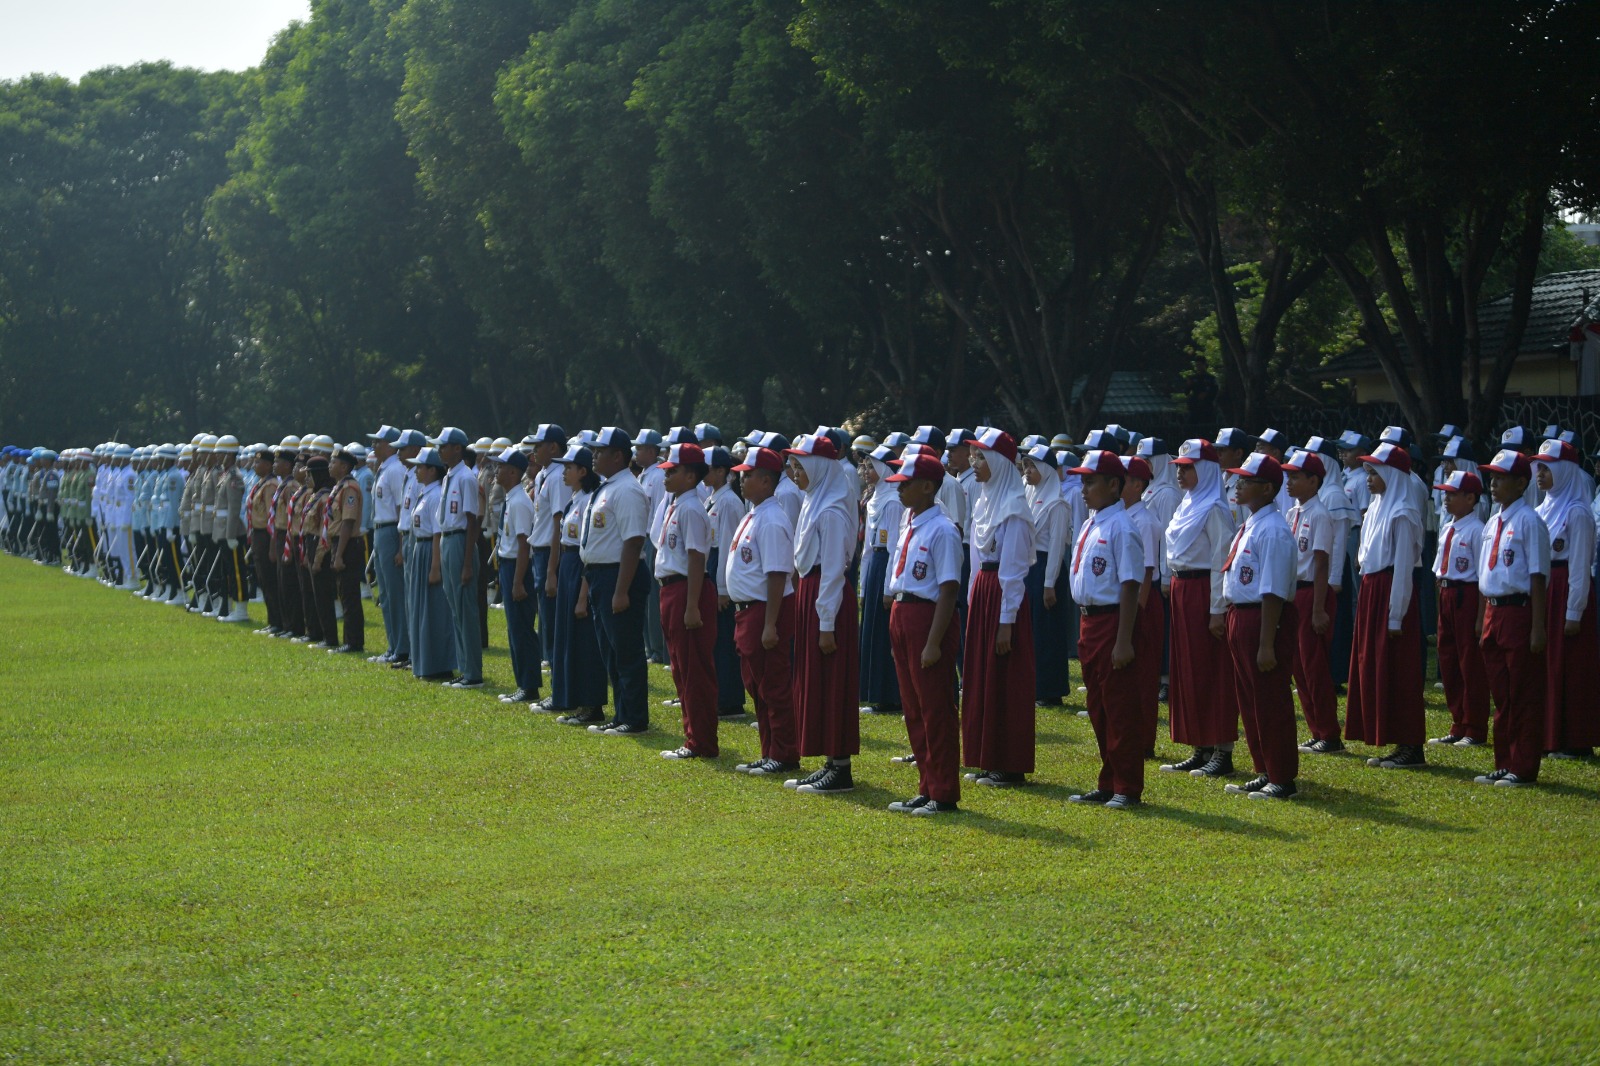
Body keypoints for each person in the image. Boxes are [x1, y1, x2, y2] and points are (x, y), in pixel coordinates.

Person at [883, 452, 965, 816]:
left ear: (928, 487)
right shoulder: (911, 523)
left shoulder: (943, 529)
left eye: (907, 484)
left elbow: (948, 590)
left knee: (935, 708)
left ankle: (944, 791)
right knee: (913, 708)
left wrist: (933, 642)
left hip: (928, 617)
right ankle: (926, 785)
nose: (900, 490)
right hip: (905, 613)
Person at [782, 432, 861, 794]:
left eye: (800, 466)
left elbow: (831, 569)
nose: (794, 473)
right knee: (815, 678)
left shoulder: (831, 511)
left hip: (825, 596)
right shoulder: (815, 500)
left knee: (832, 679)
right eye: (793, 466)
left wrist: (825, 623)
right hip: (811, 592)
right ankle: (829, 759)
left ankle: (840, 766)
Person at [1065, 449, 1145, 809]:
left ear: (1114, 484)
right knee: (1098, 706)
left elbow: (1130, 584)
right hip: (1089, 620)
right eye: (1082, 482)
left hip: (1113, 621)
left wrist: (1124, 639)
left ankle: (1127, 786)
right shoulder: (1091, 522)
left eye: (1091, 481)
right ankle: (1109, 779)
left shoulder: (1123, 527)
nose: (1084, 489)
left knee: (1119, 707)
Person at [1218, 452, 1300, 799]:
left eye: (1246, 480)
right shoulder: (1251, 524)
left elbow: (1273, 590)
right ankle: (1264, 767)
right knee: (1249, 698)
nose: (1238, 484)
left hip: (1263, 619)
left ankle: (1282, 776)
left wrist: (1267, 642)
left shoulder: (1274, 530)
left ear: (1267, 489)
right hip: (1242, 614)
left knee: (1270, 698)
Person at [960, 428, 1037, 788]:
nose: (974, 464)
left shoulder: (1014, 509)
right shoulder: (985, 501)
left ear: (1000, 464)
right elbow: (978, 560)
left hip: (1004, 596)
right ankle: (985, 754)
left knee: (1005, 676)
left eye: (980, 457)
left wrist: (1006, 620)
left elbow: (1014, 570)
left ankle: (1008, 761)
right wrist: (974, 600)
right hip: (984, 592)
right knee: (982, 673)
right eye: (973, 457)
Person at [1160, 439, 1239, 776]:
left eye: (1188, 467)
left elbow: (1222, 560)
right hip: (1182, 589)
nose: (1180, 472)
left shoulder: (1215, 508)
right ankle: (1200, 744)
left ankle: (1222, 749)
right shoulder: (1186, 504)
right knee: (1188, 669)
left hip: (1204, 590)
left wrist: (1217, 609)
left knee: (1213, 669)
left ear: (1204, 470)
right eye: (1178, 466)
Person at [1346, 441, 1426, 769]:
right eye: (1366, 472)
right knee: (1376, 664)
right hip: (1372, 588)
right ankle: (1394, 738)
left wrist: (1396, 615)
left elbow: (1404, 566)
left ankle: (1411, 743)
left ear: (1391, 474)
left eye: (1373, 472)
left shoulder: (1403, 512)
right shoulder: (1379, 506)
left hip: (1392, 591)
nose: (1368, 478)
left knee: (1399, 668)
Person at [1475, 449, 1550, 786]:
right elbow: (1484, 573)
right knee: (1502, 695)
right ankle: (1504, 761)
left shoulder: (1530, 521)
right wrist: (1482, 618)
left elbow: (1537, 575)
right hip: (1494, 611)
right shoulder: (1493, 520)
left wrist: (1538, 626)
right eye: (1492, 477)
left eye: (1501, 477)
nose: (1493, 483)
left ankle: (1523, 766)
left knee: (1523, 692)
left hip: (1519, 611)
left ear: (1521, 483)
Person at [726, 446, 801, 777]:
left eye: (749, 475)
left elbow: (776, 573)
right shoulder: (754, 513)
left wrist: (770, 624)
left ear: (768, 481)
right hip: (749, 610)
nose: (742, 479)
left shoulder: (771, 519)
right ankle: (769, 749)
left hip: (764, 610)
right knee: (756, 684)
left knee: (773, 684)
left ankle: (784, 754)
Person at [580, 427, 653, 735]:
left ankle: (634, 718)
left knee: (626, 650)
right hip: (601, 574)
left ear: (618, 455)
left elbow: (634, 542)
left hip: (618, 575)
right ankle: (622, 713)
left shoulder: (627, 490)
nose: (594, 455)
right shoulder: (610, 486)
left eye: (600, 451)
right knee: (611, 650)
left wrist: (621, 590)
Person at [652, 442, 720, 760]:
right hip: (672, 589)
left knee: (694, 668)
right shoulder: (678, 504)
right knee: (680, 667)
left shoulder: (692, 508)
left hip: (685, 590)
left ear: (691, 476)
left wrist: (692, 605)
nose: (666, 475)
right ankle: (692, 735)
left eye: (673, 470)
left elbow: (696, 558)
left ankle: (701, 741)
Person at [1533, 438, 1598, 759]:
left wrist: (1575, 610)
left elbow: (1580, 566)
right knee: (1545, 664)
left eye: (1547, 468)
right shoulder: (1541, 509)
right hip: (1544, 591)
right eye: (1539, 467)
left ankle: (1575, 739)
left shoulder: (1578, 512)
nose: (1540, 474)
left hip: (1566, 593)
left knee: (1570, 667)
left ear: (1566, 472)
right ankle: (1549, 736)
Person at [1281, 449, 1341, 753]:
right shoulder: (1293, 512)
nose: (1288, 482)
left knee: (1314, 664)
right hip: (1294, 593)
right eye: (1288, 476)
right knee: (1298, 666)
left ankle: (1329, 733)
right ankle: (1316, 727)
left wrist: (1318, 608)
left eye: (1296, 477)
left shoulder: (1319, 514)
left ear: (1314, 481)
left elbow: (1320, 563)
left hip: (1311, 593)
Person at [548, 444, 608, 725]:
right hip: (568, 565)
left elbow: (587, 547)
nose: (564, 472)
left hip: (579, 569)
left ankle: (591, 704)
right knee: (569, 637)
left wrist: (583, 594)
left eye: (569, 468)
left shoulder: (588, 501)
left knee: (584, 640)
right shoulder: (576, 499)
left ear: (583, 471)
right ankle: (572, 698)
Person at [1429, 470, 1489, 747]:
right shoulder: (1448, 528)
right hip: (1446, 593)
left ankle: (1475, 726)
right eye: (1445, 493)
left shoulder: (1478, 530)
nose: (1446, 498)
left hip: (1466, 595)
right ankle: (1458, 721)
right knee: (1449, 659)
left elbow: (1480, 577)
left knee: (1469, 662)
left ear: (1470, 497)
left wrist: (1480, 617)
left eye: (1453, 494)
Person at [433, 427, 483, 689]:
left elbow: (472, 521)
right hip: (448, 539)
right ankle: (464, 668)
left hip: (461, 540)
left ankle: (473, 672)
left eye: (444, 446)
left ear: (457, 448)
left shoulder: (465, 477)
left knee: (466, 610)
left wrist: (466, 563)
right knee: (455, 608)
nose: (440, 450)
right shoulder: (449, 476)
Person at [1121, 455, 1164, 755]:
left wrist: (1136, 617)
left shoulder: (1144, 521)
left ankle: (1144, 741)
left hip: (1143, 606)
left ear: (1137, 484)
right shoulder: (1123, 516)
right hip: (1129, 606)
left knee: (1144, 677)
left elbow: (1146, 574)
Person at [1022, 444, 1072, 706]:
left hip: (1047, 568)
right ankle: (1034, 684)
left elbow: (1056, 547)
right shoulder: (1029, 496)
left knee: (1048, 629)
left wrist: (1049, 583)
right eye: (1026, 465)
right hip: (1030, 567)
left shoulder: (1057, 503)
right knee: (1033, 627)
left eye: (1033, 466)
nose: (1027, 471)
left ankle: (1050, 689)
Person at [524, 424, 570, 703]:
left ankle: (558, 690)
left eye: (538, 445)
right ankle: (555, 687)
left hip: (550, 554)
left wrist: (553, 570)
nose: (533, 451)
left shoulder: (556, 477)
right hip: (539, 552)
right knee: (546, 620)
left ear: (553, 447)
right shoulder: (543, 475)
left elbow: (558, 523)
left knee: (553, 623)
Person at [493, 447, 542, 706]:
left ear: (513, 471)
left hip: (518, 568)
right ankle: (522, 683)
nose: (496, 471)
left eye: (500, 466)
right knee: (515, 630)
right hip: (509, 565)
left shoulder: (520, 502)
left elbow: (524, 545)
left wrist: (517, 581)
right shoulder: (513, 499)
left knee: (522, 630)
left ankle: (529, 685)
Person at [858, 443, 904, 716]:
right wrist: (864, 585)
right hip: (875, 563)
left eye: (871, 465)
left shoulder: (893, 501)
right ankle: (875, 693)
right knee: (872, 630)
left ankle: (889, 695)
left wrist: (889, 588)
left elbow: (894, 546)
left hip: (886, 564)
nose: (865, 470)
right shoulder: (873, 498)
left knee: (885, 633)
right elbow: (867, 547)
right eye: (864, 465)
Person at [405, 447, 456, 681]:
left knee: (434, 610)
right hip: (420, 548)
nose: (416, 471)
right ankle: (423, 661)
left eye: (421, 467)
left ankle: (438, 664)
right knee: (420, 608)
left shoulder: (436, 495)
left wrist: (436, 567)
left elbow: (437, 533)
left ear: (432, 470)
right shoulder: (425, 492)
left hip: (429, 550)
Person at [702, 446, 746, 717]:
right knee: (714, 639)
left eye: (705, 468)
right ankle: (719, 694)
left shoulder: (729, 502)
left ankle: (729, 699)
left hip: (721, 570)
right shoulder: (714, 497)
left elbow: (729, 546)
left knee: (724, 641)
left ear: (721, 471)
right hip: (712, 563)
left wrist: (723, 589)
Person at [366, 425, 408, 664]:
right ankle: (393, 645)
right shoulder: (383, 468)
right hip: (381, 530)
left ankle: (401, 647)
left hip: (392, 529)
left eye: (379, 442)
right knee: (385, 592)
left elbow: (401, 509)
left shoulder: (394, 470)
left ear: (391, 445)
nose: (374, 446)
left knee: (394, 592)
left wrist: (401, 547)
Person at [323, 448, 366, 652]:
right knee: (344, 593)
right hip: (339, 542)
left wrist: (339, 554)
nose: (330, 465)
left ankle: (354, 641)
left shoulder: (349, 487)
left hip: (348, 544)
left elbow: (348, 522)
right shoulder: (339, 486)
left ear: (345, 466)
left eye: (333, 462)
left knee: (349, 595)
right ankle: (349, 639)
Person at [246, 445, 282, 635]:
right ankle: (272, 620)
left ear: (268, 466)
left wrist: (272, 545)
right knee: (263, 579)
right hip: (257, 534)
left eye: (258, 462)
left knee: (270, 579)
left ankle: (277, 621)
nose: (254, 465)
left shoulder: (270, 486)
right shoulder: (261, 483)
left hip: (266, 535)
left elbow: (272, 517)